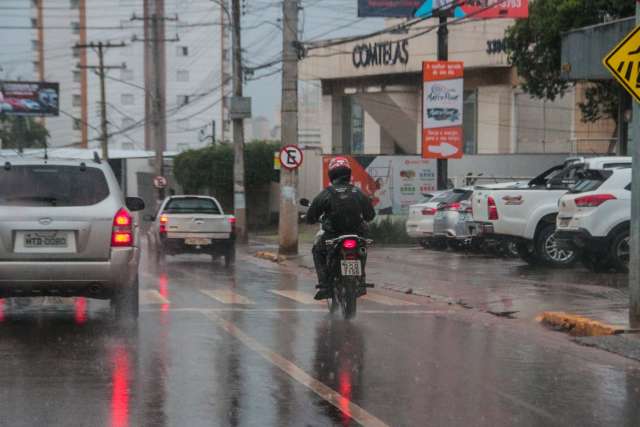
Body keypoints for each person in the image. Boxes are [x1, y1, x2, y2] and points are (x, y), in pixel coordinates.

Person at [306, 157, 376, 300]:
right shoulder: (357, 192)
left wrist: (311, 219)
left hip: (333, 235)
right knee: (362, 249)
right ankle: (361, 280)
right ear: (348, 174)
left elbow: (311, 216)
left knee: (317, 250)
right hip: (356, 235)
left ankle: (325, 284)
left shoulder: (327, 193)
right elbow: (370, 215)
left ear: (331, 174)